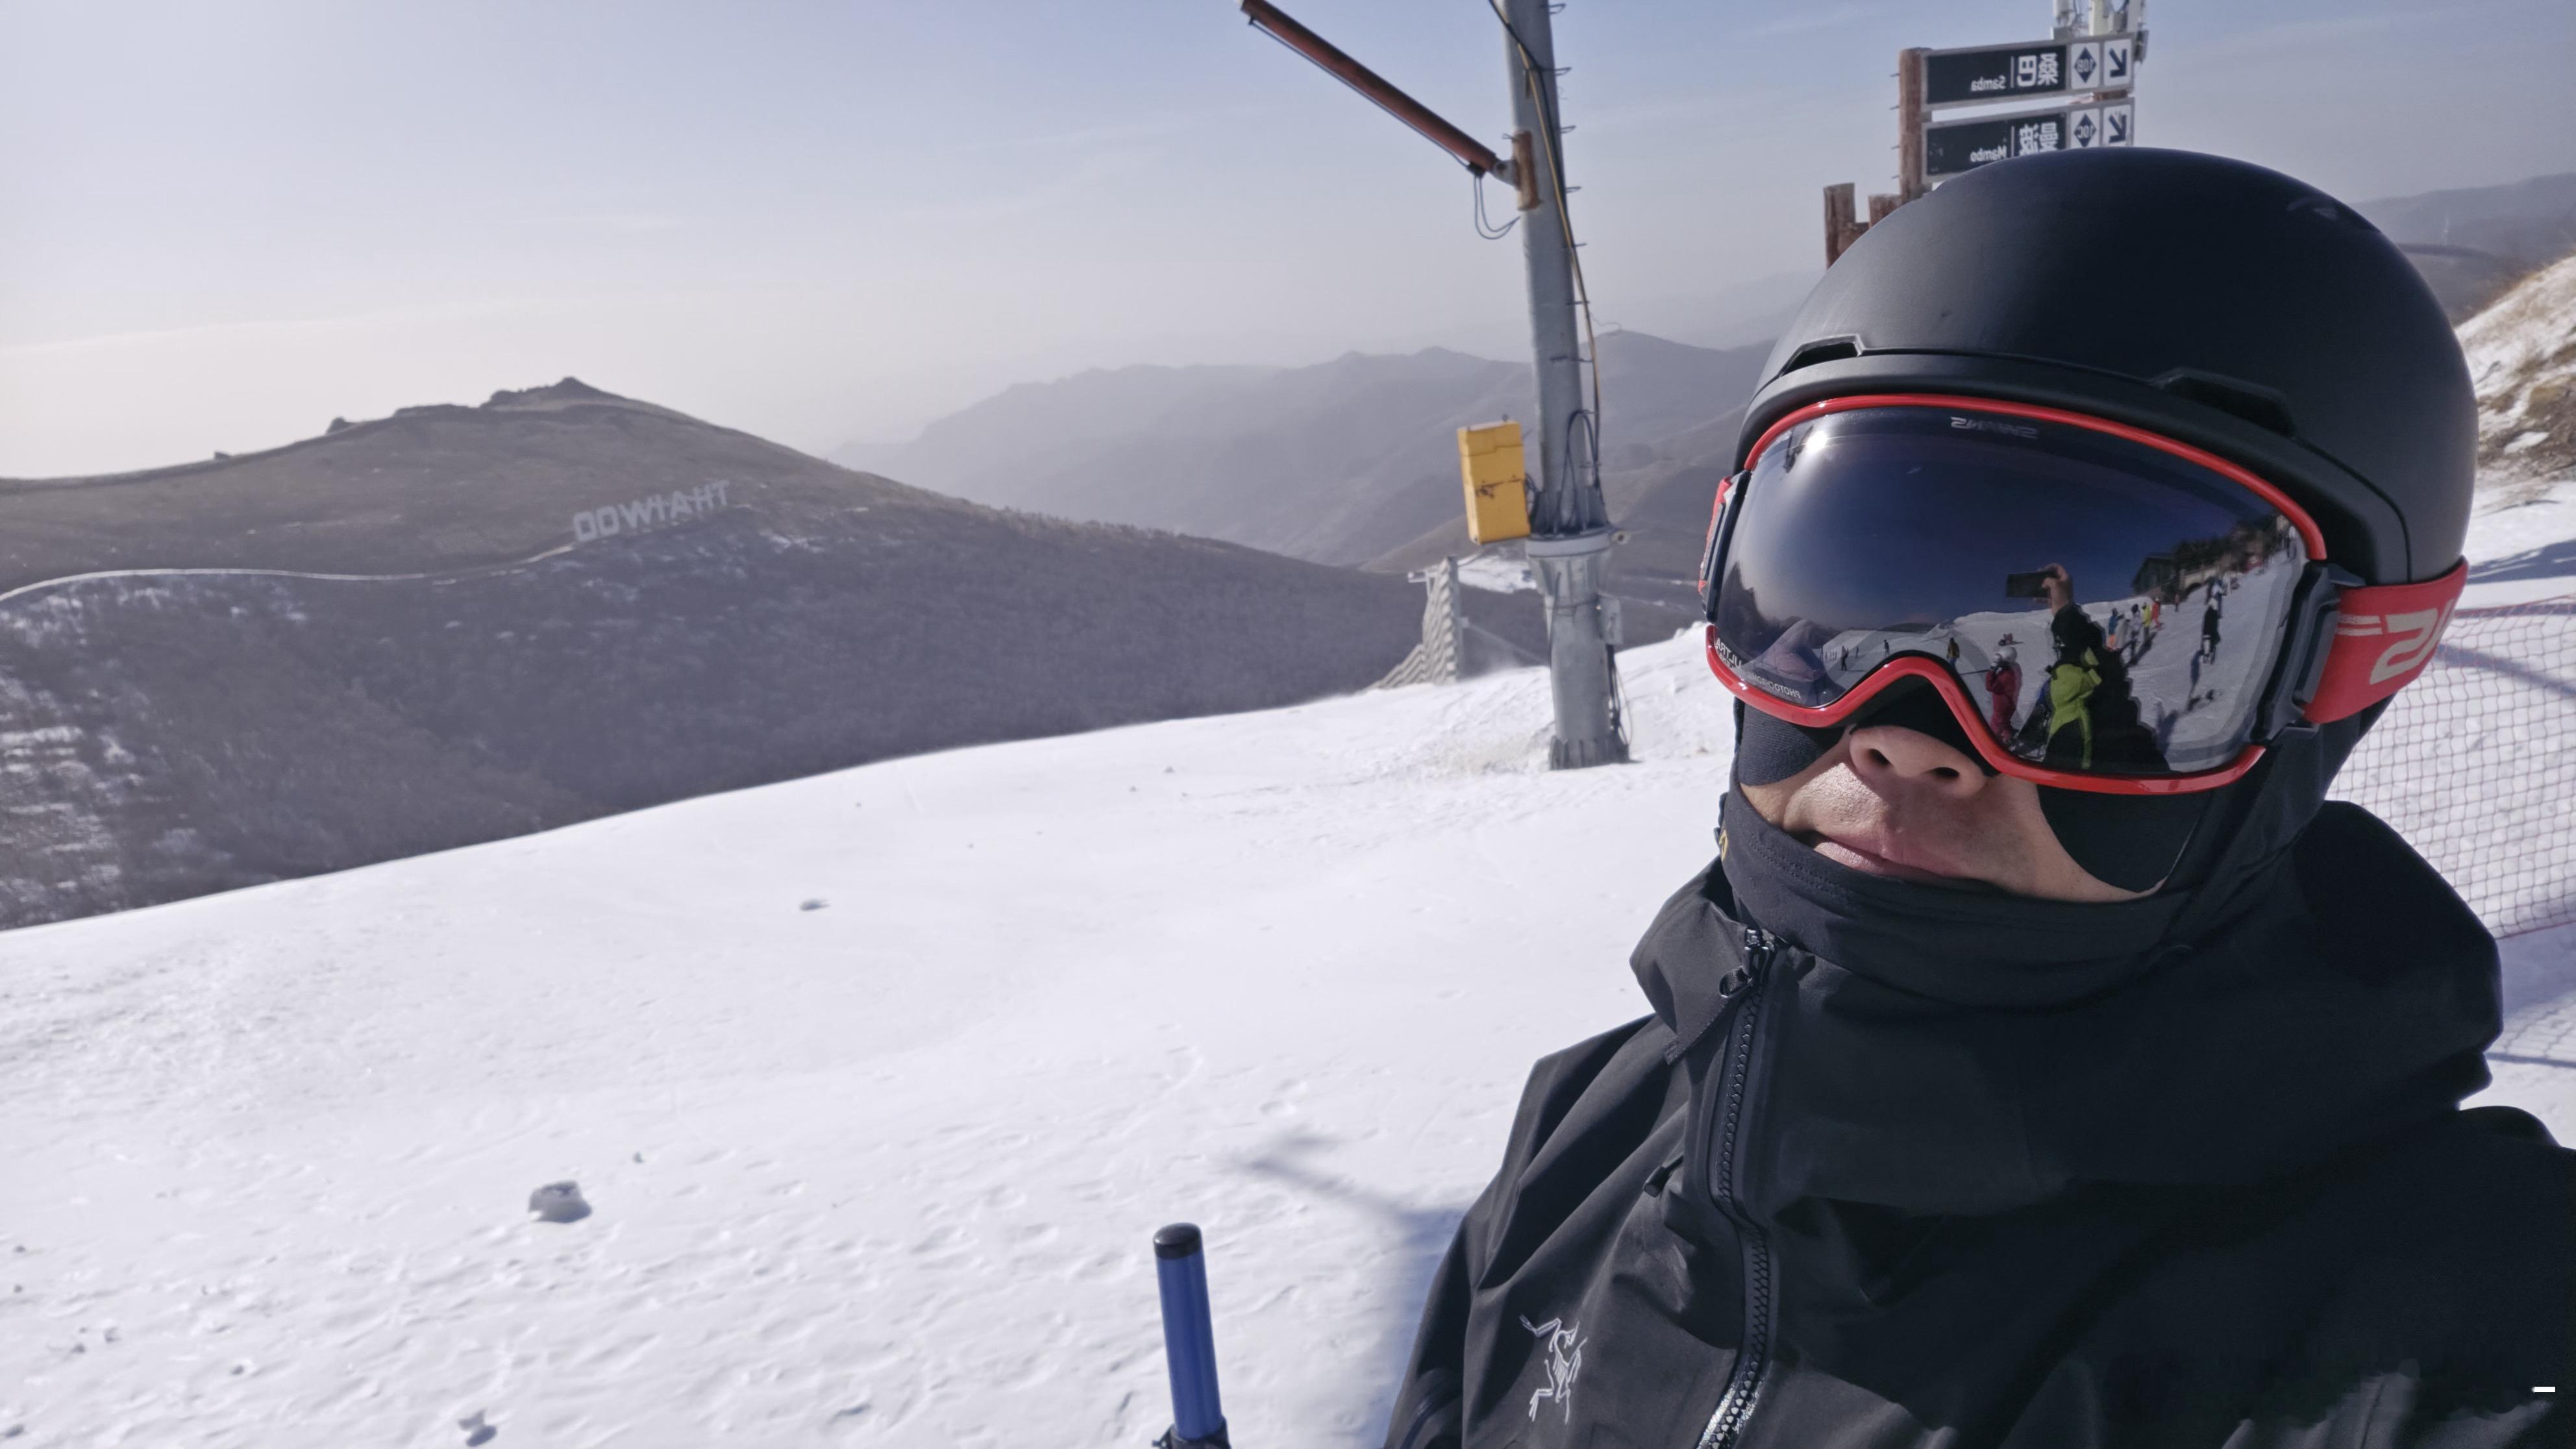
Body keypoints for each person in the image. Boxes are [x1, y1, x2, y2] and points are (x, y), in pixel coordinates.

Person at [1381, 150, 2567, 1449]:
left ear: (2336, 682)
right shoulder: (1581, 1131)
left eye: (2143, 659)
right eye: (1836, 597)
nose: (1901, 739)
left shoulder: (2446, 1324)